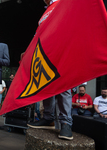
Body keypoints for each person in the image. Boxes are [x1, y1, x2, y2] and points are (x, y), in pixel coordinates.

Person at [27, 0, 73, 140]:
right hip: (46, 54)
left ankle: (66, 123)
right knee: (46, 84)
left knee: (63, 86)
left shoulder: (63, 3)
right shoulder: (45, 12)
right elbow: (38, 34)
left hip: (63, 49)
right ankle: (48, 118)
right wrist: (28, 50)